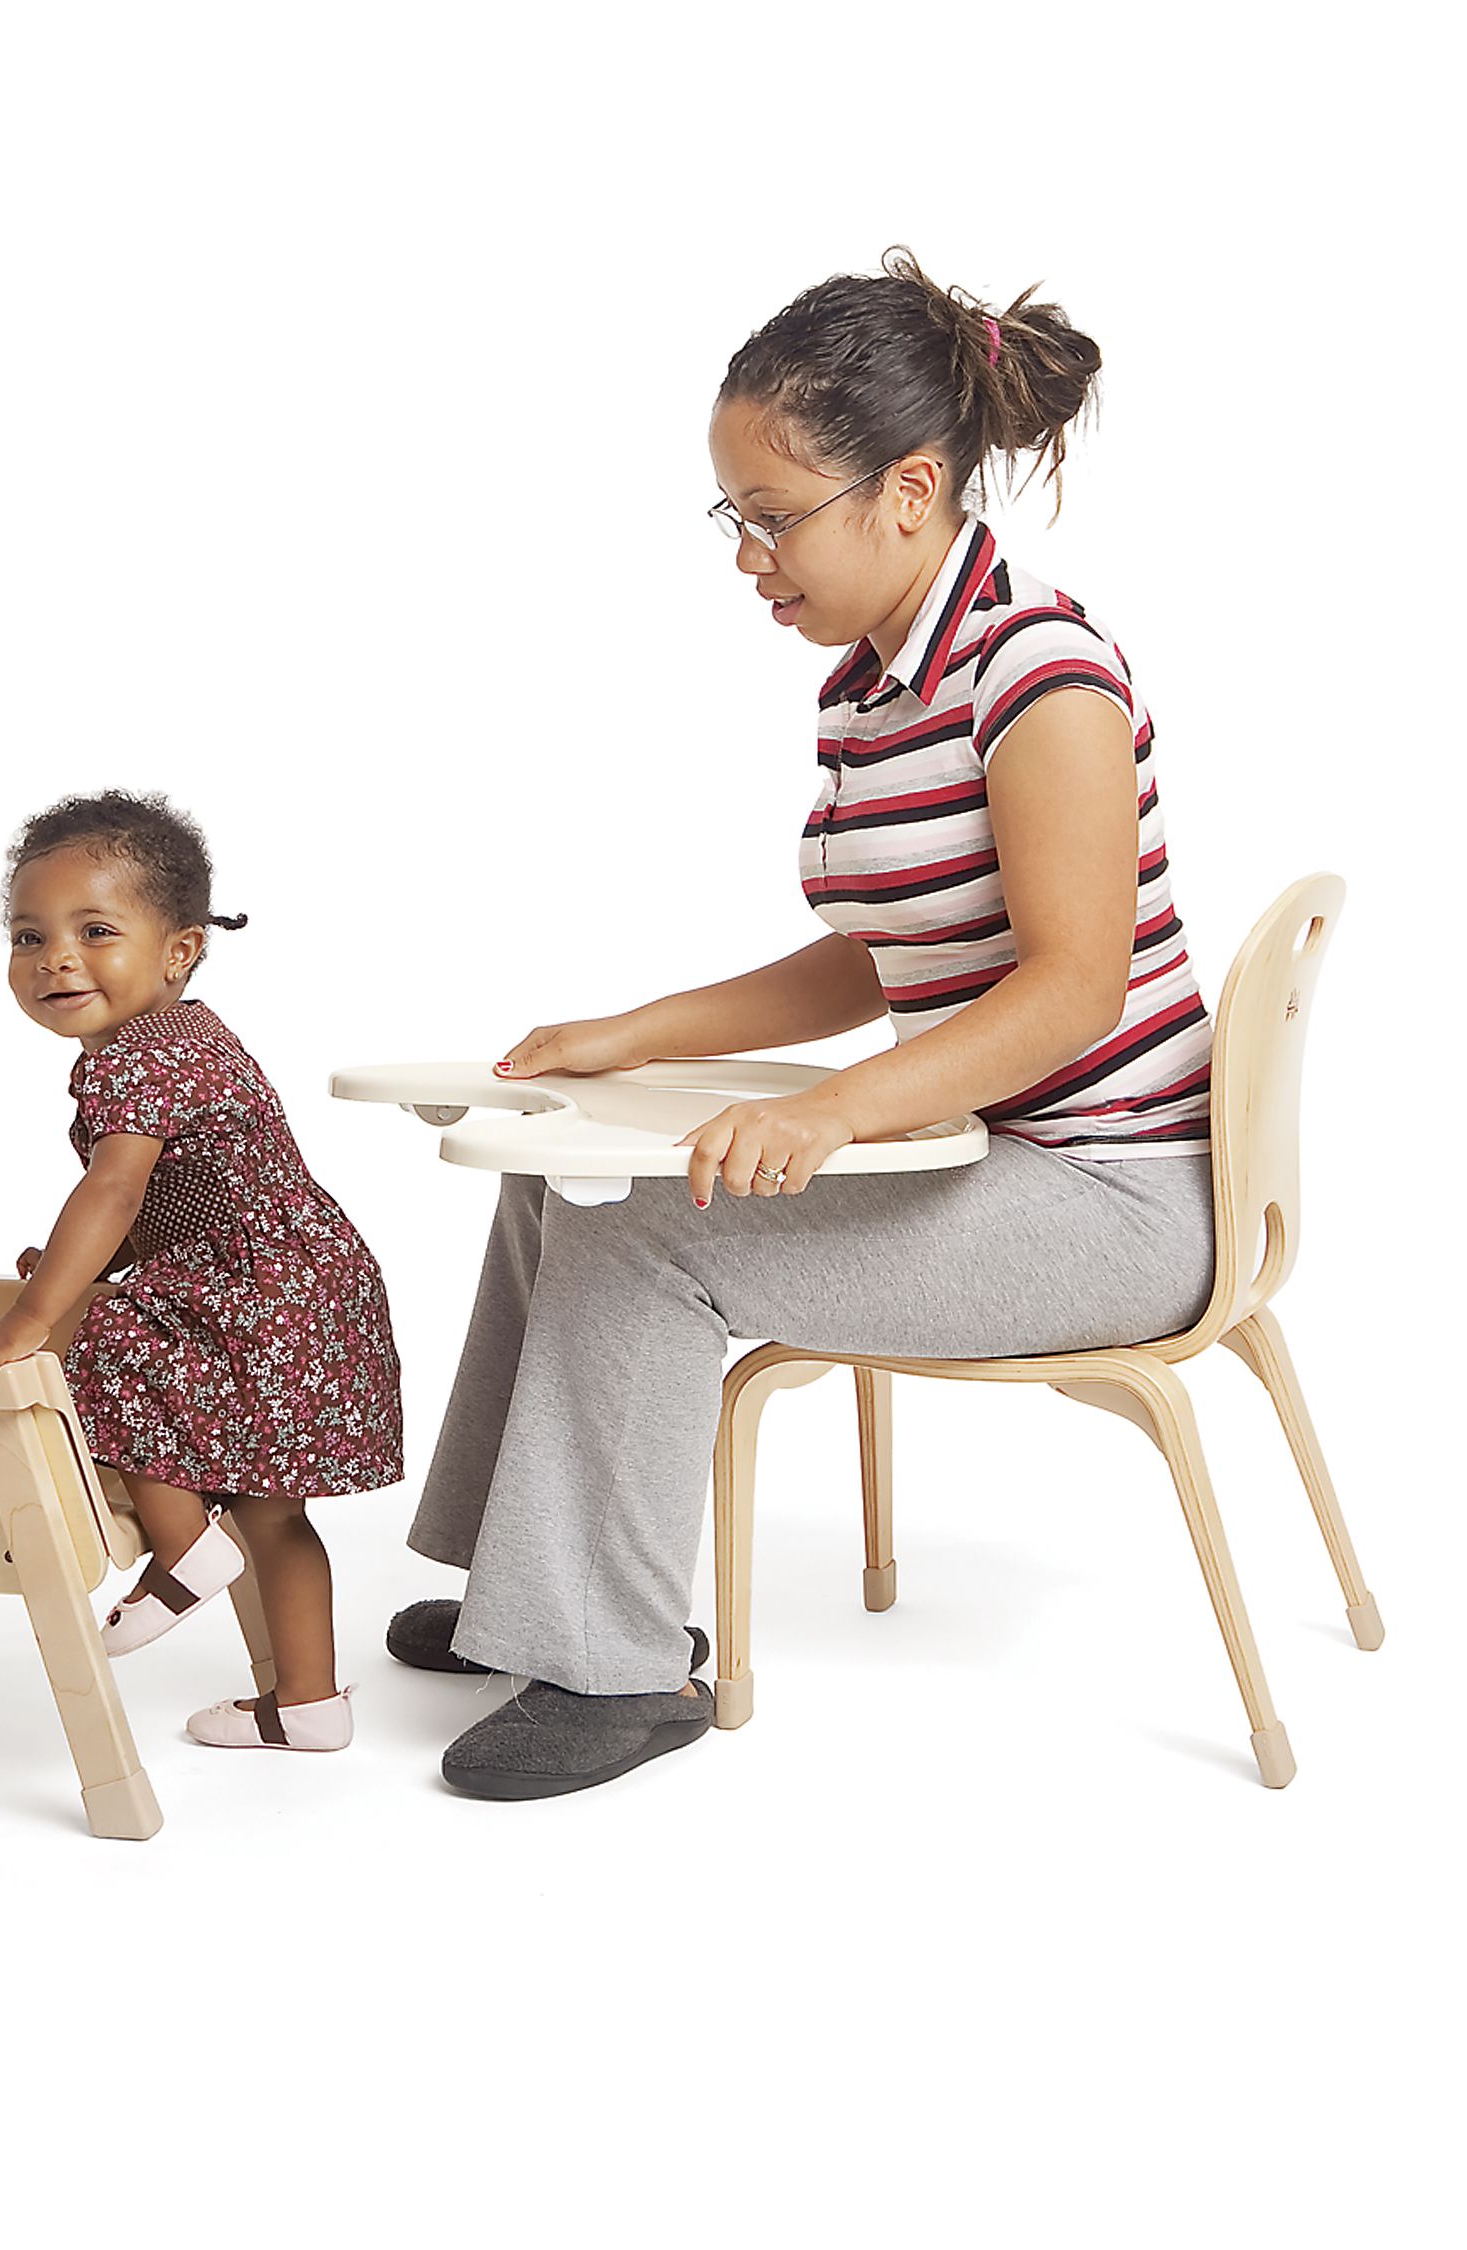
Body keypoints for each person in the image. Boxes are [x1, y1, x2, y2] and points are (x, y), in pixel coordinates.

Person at [394, 250, 1218, 1801]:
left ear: (908, 490)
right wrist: (630, 1035)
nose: (749, 556)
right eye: (737, 519)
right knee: (554, 1164)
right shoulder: (871, 686)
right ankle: (531, 1577)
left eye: (773, 517)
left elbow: (1072, 990)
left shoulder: (1039, 677)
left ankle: (616, 1669)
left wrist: (835, 1114)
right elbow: (872, 956)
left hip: (1115, 1193)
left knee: (649, 1233)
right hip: (1002, 1152)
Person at [0, 789, 405, 1753]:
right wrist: (94, 1263)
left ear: (180, 950)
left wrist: (31, 1314)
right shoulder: (191, 1036)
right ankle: (307, 1705)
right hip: (309, 1281)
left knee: (106, 1340)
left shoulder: (131, 1062)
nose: (55, 958)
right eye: (29, 936)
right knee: (275, 1508)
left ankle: (184, 1552)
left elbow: (113, 1193)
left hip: (258, 1285)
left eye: (94, 930)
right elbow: (180, 1195)